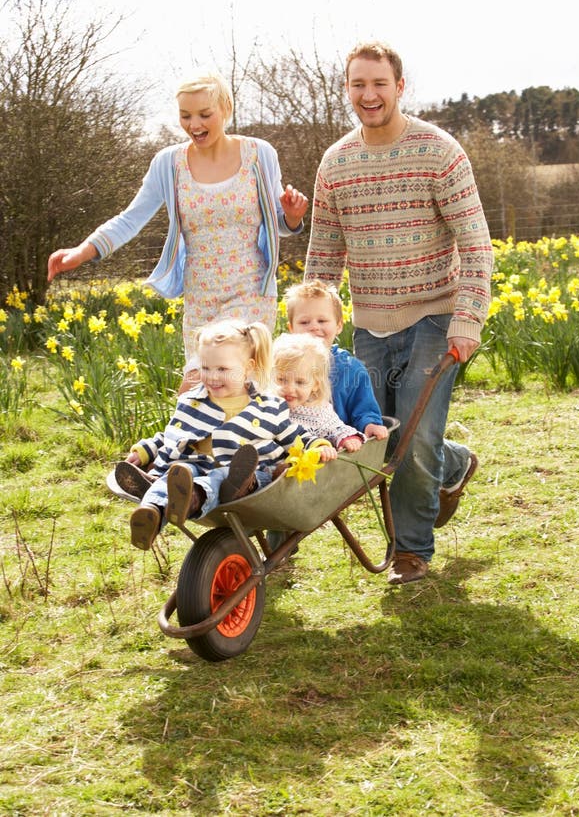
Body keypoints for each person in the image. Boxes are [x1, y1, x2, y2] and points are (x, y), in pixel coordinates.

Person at [304, 40, 494, 586]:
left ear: (399, 87)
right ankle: (454, 464)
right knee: (384, 441)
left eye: (379, 84)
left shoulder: (439, 151)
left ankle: (411, 551)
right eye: (358, 85)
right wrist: (309, 331)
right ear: (348, 90)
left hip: (435, 317)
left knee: (411, 439)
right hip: (369, 323)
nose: (369, 95)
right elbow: (324, 252)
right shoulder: (336, 163)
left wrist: (467, 319)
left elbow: (476, 243)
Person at [47, 71, 308, 391]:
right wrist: (81, 251)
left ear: (226, 109)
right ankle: (207, 442)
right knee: (205, 391)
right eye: (185, 116)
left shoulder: (258, 155)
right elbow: (130, 219)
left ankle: (218, 441)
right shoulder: (168, 164)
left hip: (250, 291)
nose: (194, 124)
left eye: (204, 114)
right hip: (200, 296)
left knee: (219, 382)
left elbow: (279, 223)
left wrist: (293, 216)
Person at [115, 318, 337, 550]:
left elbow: (293, 436)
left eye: (222, 369)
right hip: (196, 463)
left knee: (220, 476)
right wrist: (145, 450)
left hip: (249, 476)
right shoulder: (193, 401)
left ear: (248, 368)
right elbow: (173, 434)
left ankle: (192, 498)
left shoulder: (267, 406)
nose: (212, 376)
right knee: (176, 474)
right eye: (205, 367)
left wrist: (318, 445)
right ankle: (150, 513)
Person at [283, 279, 388, 440]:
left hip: (338, 443)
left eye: (322, 321)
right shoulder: (283, 364)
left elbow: (363, 408)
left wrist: (369, 424)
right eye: (304, 322)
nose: (314, 327)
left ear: (339, 326)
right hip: (290, 442)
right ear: (291, 328)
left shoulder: (350, 369)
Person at [272, 333, 365, 452]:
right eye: (282, 380)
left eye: (300, 382)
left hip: (308, 464)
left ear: (315, 385)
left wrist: (347, 439)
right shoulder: (268, 405)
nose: (290, 389)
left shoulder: (317, 411)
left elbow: (336, 429)